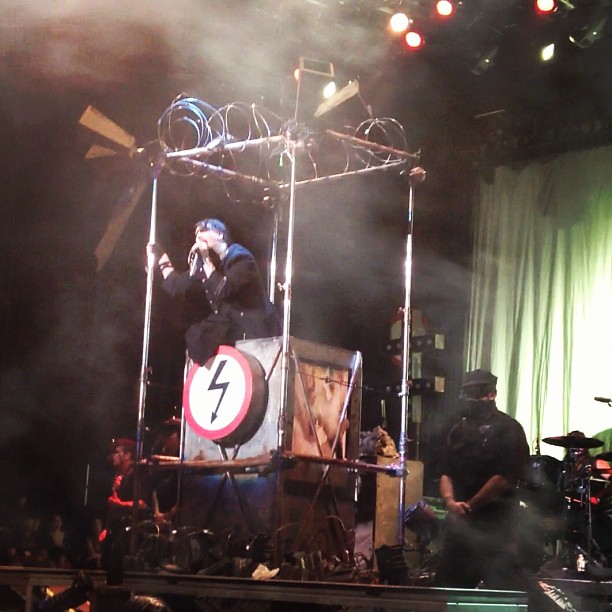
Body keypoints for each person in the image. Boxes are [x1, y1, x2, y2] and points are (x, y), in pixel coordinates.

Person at [435, 368, 530, 589]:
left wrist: (468, 507)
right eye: (466, 393)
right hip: (461, 525)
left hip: (496, 526)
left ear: (491, 394)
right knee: (447, 590)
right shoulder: (457, 430)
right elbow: (446, 472)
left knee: (501, 592)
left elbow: (504, 478)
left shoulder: (510, 429)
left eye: (475, 393)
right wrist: (450, 502)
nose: (469, 399)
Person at [152, 218, 280, 365]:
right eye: (196, 234)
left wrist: (206, 260)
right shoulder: (212, 265)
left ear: (219, 234)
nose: (198, 236)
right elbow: (177, 285)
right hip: (233, 331)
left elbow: (223, 289)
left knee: (204, 334)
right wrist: (162, 258)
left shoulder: (241, 258)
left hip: (255, 334)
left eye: (203, 231)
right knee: (196, 335)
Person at [102, 438, 150, 583]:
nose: (113, 456)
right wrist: (107, 528)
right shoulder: (119, 476)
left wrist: (119, 504)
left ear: (128, 455)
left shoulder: (138, 475)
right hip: (117, 530)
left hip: (131, 533)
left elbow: (142, 504)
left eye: (116, 452)